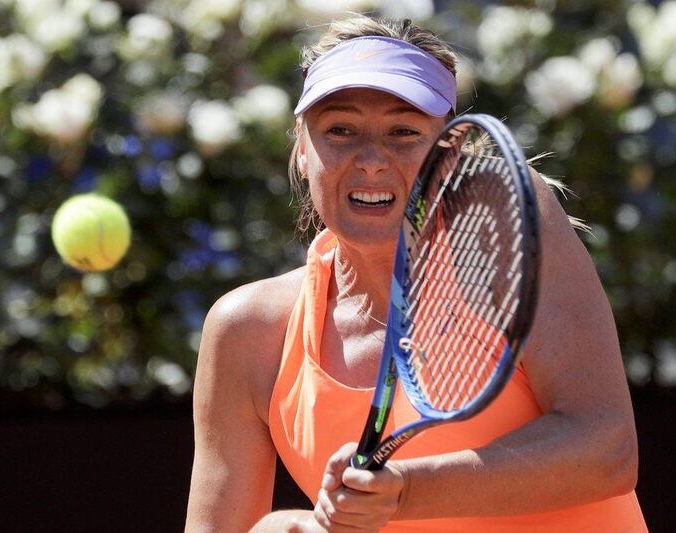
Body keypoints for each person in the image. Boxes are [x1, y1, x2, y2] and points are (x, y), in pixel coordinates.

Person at [186, 14, 648, 533]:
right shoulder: (247, 333)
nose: (370, 160)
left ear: (448, 150)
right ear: (301, 145)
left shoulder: (505, 227)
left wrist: (405, 492)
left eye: (403, 132)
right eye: (340, 130)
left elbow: (606, 449)